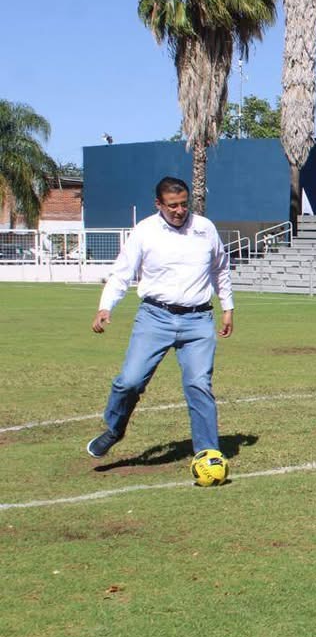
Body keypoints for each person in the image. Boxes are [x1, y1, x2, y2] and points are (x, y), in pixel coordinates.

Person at [87, 176, 234, 463]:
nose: (179, 211)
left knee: (198, 384)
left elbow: (221, 269)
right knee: (129, 382)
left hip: (198, 319)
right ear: (158, 204)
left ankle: (208, 452)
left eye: (183, 204)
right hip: (155, 317)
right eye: (172, 206)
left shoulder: (204, 228)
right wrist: (106, 307)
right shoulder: (144, 231)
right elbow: (123, 272)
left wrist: (227, 306)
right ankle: (114, 429)